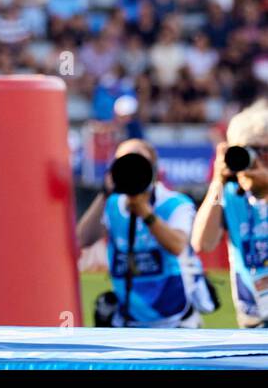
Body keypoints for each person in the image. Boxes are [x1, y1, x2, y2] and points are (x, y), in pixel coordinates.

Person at [76, 139, 214, 328]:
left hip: (176, 320)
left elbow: (177, 245)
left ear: (154, 168)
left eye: (139, 160)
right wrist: (104, 193)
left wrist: (145, 212)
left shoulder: (175, 204)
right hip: (129, 319)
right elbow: (82, 239)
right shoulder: (113, 205)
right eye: (124, 161)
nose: (132, 167)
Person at [192, 100, 268, 328]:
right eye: (248, 149)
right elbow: (202, 243)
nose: (257, 158)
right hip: (252, 319)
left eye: (263, 150)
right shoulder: (230, 194)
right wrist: (217, 182)